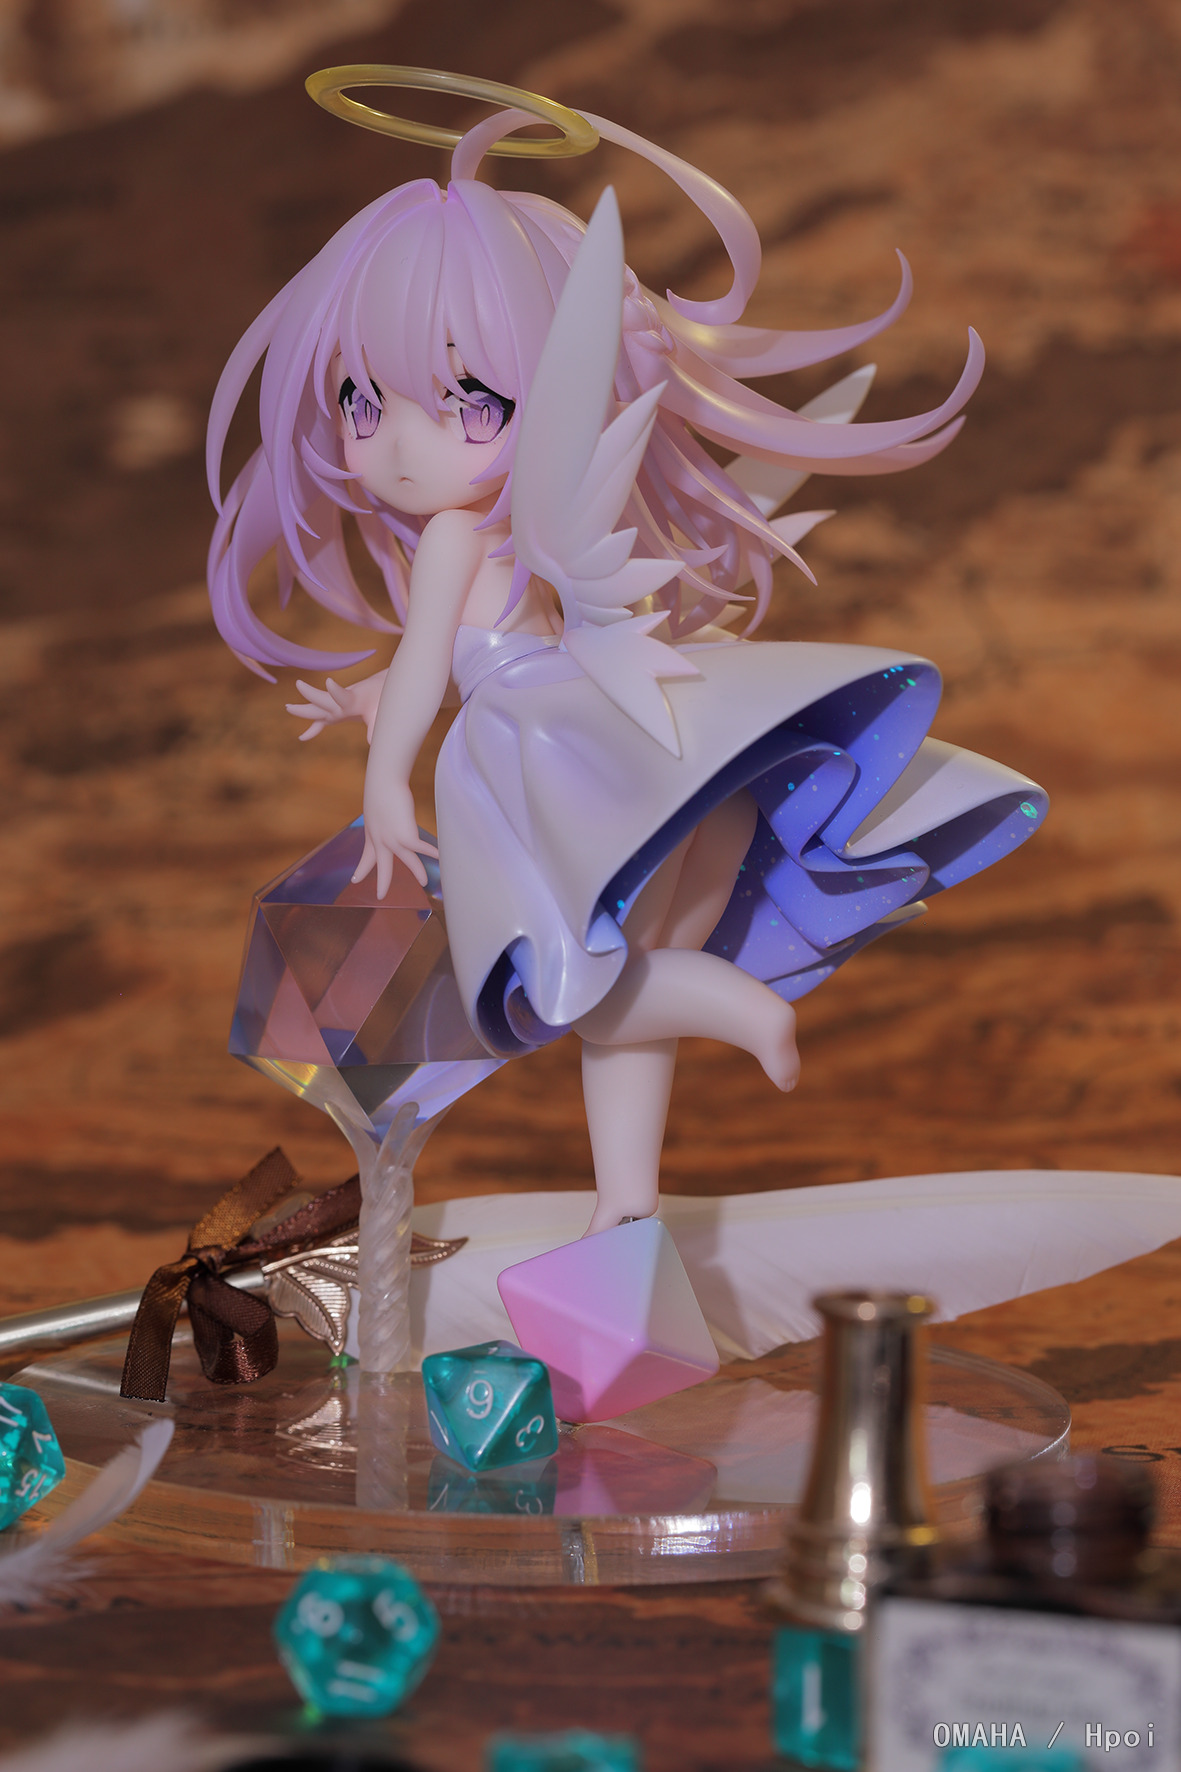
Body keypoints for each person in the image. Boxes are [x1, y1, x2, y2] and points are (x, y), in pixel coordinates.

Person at [207, 98, 1045, 1235]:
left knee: (580, 991)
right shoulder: (511, 532)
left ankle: (737, 1011)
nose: (395, 441)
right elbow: (446, 657)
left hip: (547, 761)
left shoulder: (456, 538)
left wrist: (385, 778)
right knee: (612, 989)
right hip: (636, 748)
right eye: (360, 401)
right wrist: (364, 699)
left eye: (463, 399)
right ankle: (627, 1204)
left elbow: (434, 673)